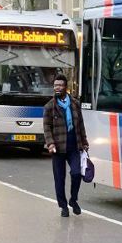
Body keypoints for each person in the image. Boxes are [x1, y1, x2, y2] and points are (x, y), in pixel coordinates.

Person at [43, 74, 89, 217]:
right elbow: (46, 127)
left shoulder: (75, 104)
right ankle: (63, 207)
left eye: (60, 85)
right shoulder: (50, 106)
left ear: (65, 87)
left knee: (76, 173)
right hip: (58, 148)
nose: (57, 88)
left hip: (74, 146)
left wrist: (85, 142)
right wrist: (50, 143)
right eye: (55, 85)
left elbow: (80, 124)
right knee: (59, 179)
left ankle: (73, 200)